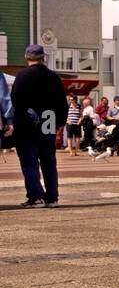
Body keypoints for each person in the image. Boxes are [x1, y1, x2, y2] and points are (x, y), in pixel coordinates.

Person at [11, 45, 68, 207]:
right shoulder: (53, 77)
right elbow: (62, 103)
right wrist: (60, 122)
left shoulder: (22, 76)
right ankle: (52, 197)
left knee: (29, 161)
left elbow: (15, 100)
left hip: (27, 123)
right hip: (49, 121)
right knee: (48, 160)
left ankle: (36, 196)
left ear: (26, 57)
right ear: (43, 57)